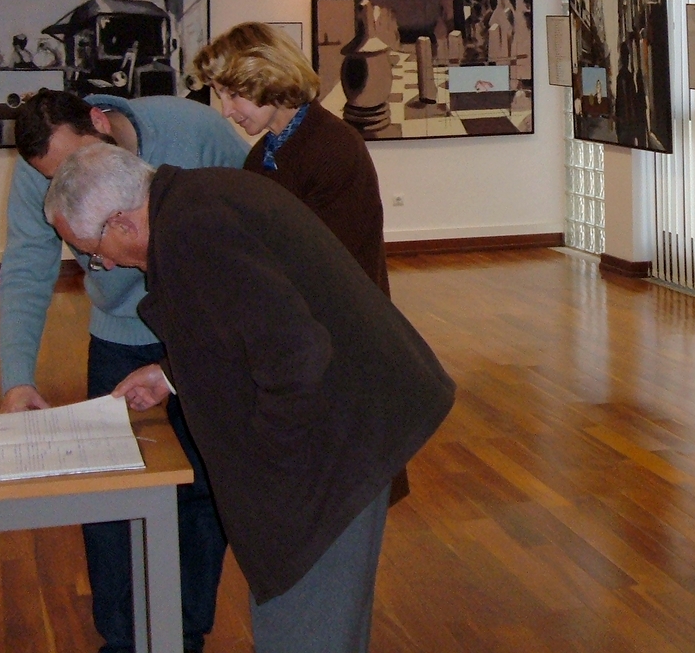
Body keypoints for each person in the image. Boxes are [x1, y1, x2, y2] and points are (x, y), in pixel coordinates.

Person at [44, 145, 456, 653]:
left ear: (123, 223)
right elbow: (245, 323)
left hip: (335, 443)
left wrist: (273, 473)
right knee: (322, 624)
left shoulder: (194, 232)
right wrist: (171, 375)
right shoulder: (194, 200)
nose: (100, 263)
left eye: (92, 251)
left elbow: (296, 355)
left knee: (302, 629)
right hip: (345, 421)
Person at [0, 88, 248, 653]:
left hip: (206, 335)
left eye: (75, 165)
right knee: (109, 494)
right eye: (54, 177)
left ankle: (182, 634)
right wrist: (18, 379)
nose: (67, 184)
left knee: (203, 493)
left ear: (98, 121)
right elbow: (26, 269)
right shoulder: (34, 170)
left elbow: (252, 225)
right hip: (120, 336)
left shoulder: (195, 131)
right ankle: (120, 638)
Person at [191, 21, 389, 295]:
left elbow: (327, 264)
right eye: (220, 94)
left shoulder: (334, 147)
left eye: (234, 94)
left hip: (345, 320)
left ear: (269, 77)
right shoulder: (261, 155)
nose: (226, 110)